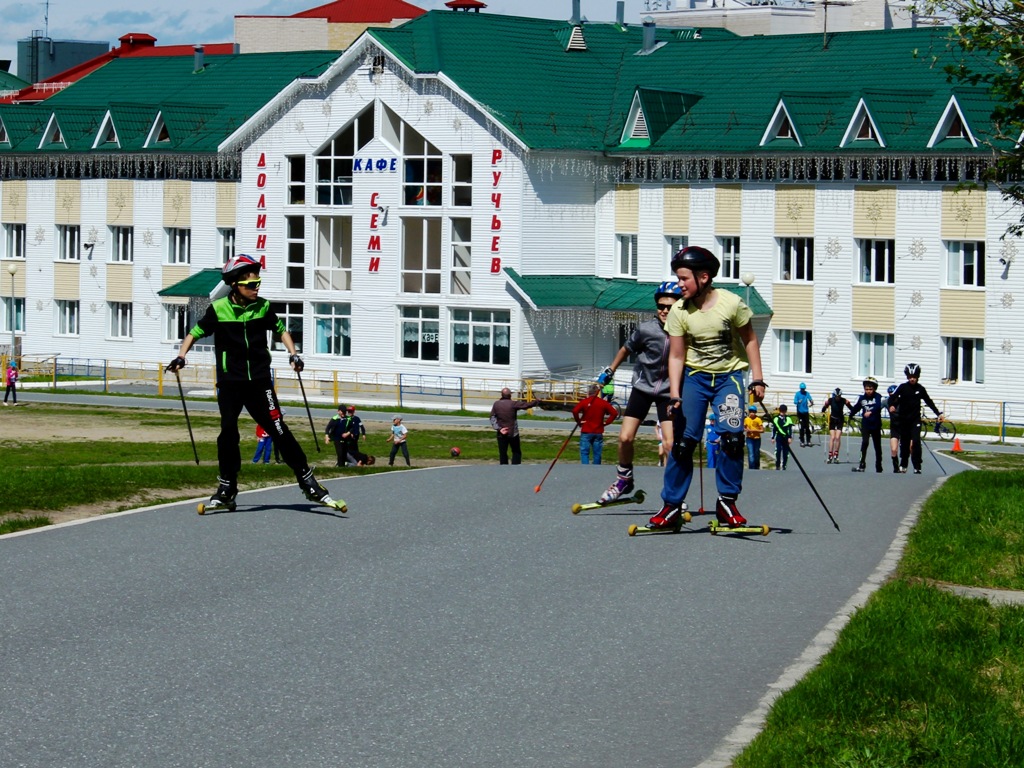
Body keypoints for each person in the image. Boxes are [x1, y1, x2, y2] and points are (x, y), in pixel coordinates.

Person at [166, 254, 342, 511]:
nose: (256, 287)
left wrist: (294, 354)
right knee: (228, 433)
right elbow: (195, 332)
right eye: (251, 284)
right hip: (230, 384)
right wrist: (181, 356)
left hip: (260, 383)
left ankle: (308, 481)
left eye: (258, 282)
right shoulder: (219, 309)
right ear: (235, 285)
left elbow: (281, 329)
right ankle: (227, 487)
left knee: (279, 429)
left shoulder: (263, 307)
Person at [652, 246, 766, 531]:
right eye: (678, 278)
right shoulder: (679, 311)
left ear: (703, 277)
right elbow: (677, 356)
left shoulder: (732, 304)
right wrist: (675, 394)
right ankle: (671, 506)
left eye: (684, 279)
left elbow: (750, 340)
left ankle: (727, 502)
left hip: (729, 378)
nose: (680, 284)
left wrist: (758, 378)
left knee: (731, 439)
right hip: (695, 379)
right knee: (682, 442)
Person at [595, 281, 682, 503]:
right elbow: (626, 349)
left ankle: (673, 495)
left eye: (670, 307)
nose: (664, 311)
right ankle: (624, 479)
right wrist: (610, 371)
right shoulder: (646, 329)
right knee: (624, 437)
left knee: (671, 445)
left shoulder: (684, 331)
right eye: (661, 306)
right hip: (642, 388)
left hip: (667, 393)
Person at [888, 363, 942, 474]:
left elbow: (929, 401)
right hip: (904, 420)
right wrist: (891, 406)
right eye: (910, 377)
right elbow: (892, 398)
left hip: (915, 420)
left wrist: (938, 414)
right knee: (905, 443)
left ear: (918, 376)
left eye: (914, 377)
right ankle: (903, 464)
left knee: (916, 442)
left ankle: (917, 466)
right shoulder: (902, 387)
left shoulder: (920, 389)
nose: (912, 379)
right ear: (907, 377)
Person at [489, 387, 541, 464]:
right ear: (510, 395)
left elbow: (492, 418)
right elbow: (526, 405)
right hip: (513, 432)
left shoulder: (496, 404)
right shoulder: (513, 404)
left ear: (501, 395)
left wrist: (499, 429)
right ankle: (516, 468)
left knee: (503, 453)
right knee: (516, 451)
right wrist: (536, 401)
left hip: (501, 432)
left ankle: (503, 468)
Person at [572, 384, 618, 464]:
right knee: (597, 453)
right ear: (598, 393)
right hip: (598, 430)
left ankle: (585, 469)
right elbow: (614, 413)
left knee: (584, 452)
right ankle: (596, 469)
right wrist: (606, 422)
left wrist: (578, 421)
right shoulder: (603, 403)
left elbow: (575, 411)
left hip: (586, 430)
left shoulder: (584, 402)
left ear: (588, 393)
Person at [849, 376, 884, 473]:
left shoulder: (877, 396)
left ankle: (878, 466)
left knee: (877, 446)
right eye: (866, 389)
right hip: (866, 424)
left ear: (875, 388)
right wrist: (850, 415)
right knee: (865, 442)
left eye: (870, 389)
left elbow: (877, 407)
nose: (868, 391)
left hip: (876, 424)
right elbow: (856, 407)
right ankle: (862, 464)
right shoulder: (862, 398)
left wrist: (871, 412)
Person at [821, 387, 854, 464]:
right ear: (834, 395)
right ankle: (830, 455)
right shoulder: (831, 400)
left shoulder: (843, 400)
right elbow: (825, 407)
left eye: (839, 396)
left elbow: (851, 408)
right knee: (832, 437)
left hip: (840, 419)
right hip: (832, 419)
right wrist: (823, 411)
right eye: (836, 396)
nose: (838, 398)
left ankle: (836, 455)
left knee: (837, 437)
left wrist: (851, 414)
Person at [770, 403, 795, 470]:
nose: (782, 413)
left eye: (784, 411)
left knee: (785, 452)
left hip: (786, 437)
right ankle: (777, 464)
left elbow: (790, 429)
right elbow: (774, 429)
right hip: (779, 437)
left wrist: (790, 437)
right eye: (781, 411)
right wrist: (772, 438)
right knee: (778, 451)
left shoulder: (788, 419)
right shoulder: (776, 419)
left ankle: (784, 465)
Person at [884, 384, 903, 473]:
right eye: (890, 395)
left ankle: (903, 465)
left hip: (904, 427)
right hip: (894, 427)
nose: (893, 397)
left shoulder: (902, 402)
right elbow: (876, 408)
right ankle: (896, 467)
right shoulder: (887, 402)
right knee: (894, 449)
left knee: (906, 448)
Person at [744, 404, 764, 470]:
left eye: (753, 412)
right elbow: (744, 428)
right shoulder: (746, 419)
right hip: (749, 438)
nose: (752, 413)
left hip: (757, 438)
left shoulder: (758, 419)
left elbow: (762, 430)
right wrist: (746, 430)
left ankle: (756, 466)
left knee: (756, 453)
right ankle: (751, 467)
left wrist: (753, 430)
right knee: (751, 453)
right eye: (751, 412)